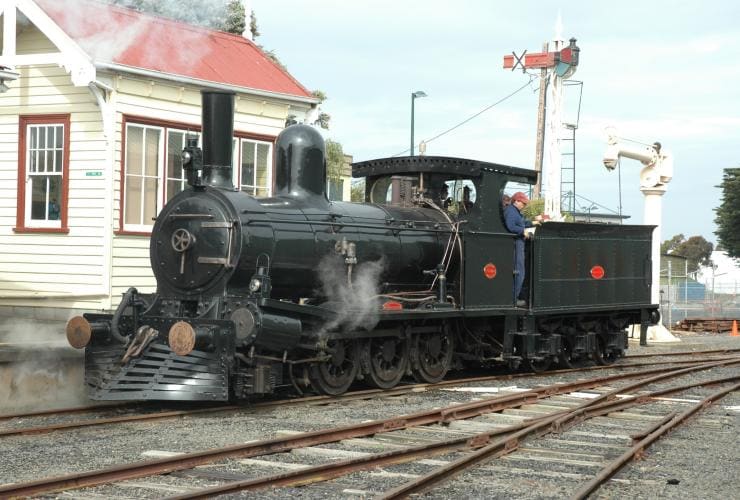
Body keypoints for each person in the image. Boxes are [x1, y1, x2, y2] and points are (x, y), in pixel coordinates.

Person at [503, 191, 540, 307]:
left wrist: (534, 221)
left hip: (519, 243)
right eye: (523, 203)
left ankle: (515, 297)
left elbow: (522, 222)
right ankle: (513, 299)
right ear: (516, 201)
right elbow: (511, 226)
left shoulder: (515, 211)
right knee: (520, 272)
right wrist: (522, 231)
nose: (524, 206)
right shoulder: (511, 211)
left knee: (520, 272)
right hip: (516, 243)